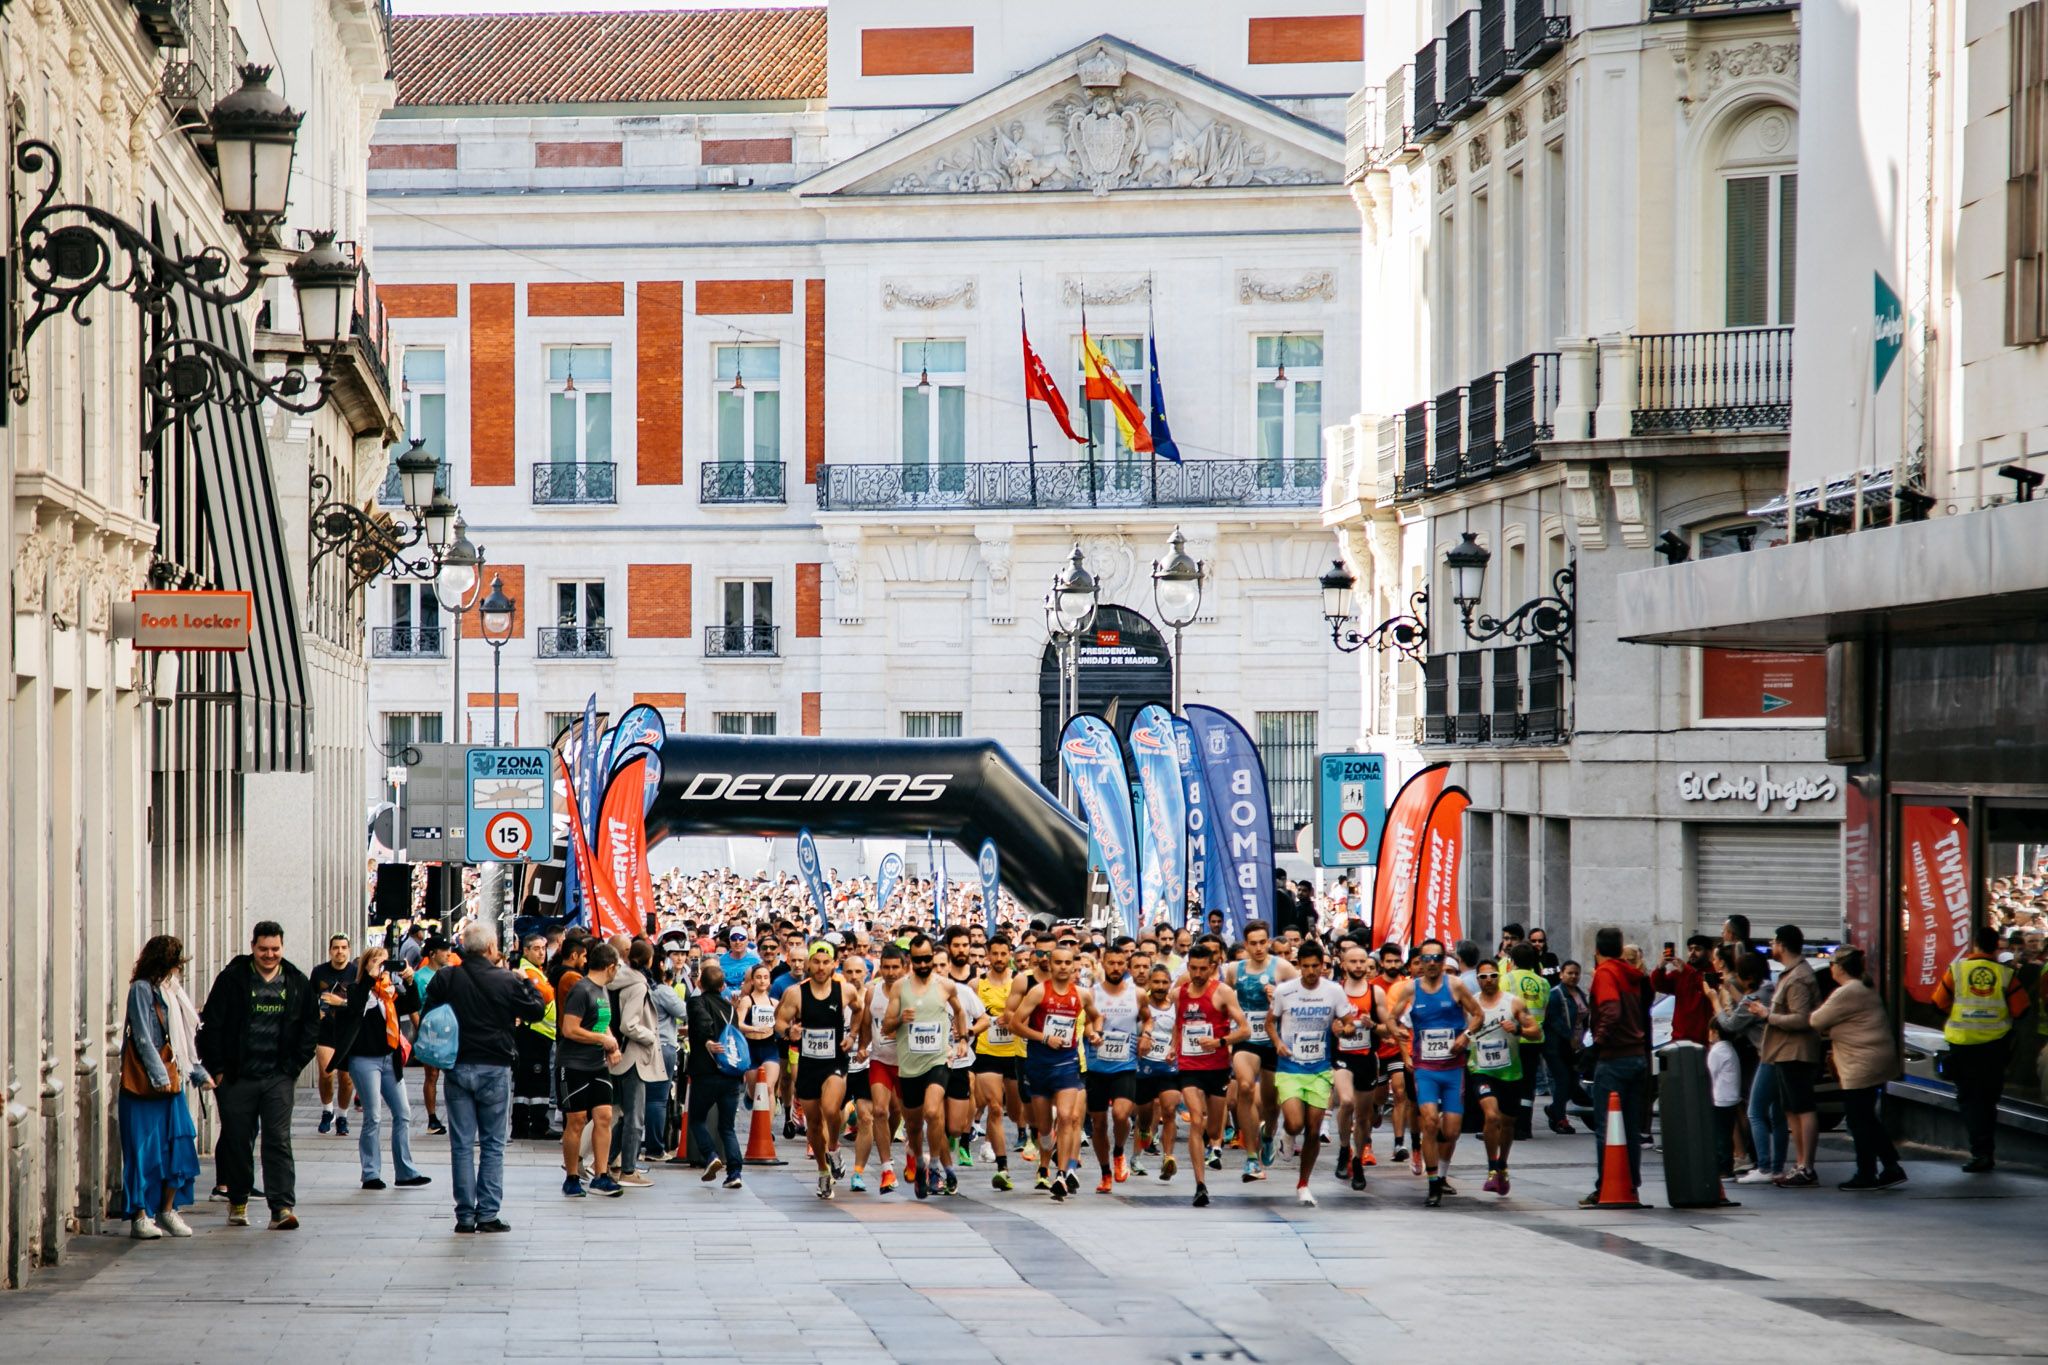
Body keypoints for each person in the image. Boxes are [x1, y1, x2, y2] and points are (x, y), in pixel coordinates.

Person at [199, 920, 320, 1231]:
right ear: (253, 947)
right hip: (237, 1077)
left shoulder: (295, 980)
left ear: (282, 947)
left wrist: (293, 1067)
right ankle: (238, 1200)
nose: (270, 955)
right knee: (238, 1140)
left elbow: (310, 1026)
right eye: (264, 949)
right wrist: (219, 1069)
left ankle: (282, 1207)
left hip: (278, 1076)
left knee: (278, 1140)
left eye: (275, 949)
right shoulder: (232, 980)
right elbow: (211, 1024)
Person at [424, 924, 546, 1231]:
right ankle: (488, 1213)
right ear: (491, 948)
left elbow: (430, 1012)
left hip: (457, 1064)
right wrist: (525, 982)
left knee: (462, 1143)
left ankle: (464, 1215)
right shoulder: (505, 979)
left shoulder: (447, 978)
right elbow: (536, 1011)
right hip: (494, 1065)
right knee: (492, 1143)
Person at [120, 936, 210, 1240]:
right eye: (176, 962)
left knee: (179, 1146)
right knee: (143, 1152)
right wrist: (160, 1078)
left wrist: (196, 1072)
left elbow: (184, 1038)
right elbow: (143, 1037)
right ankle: (140, 1215)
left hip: (170, 1081)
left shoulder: (171, 990)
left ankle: (168, 1209)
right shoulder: (141, 989)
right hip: (145, 1084)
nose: (178, 968)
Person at [325, 944, 430, 1194]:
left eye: (386, 962)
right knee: (373, 1115)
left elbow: (412, 1004)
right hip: (364, 1059)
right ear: (367, 965)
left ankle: (405, 1171)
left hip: (389, 1059)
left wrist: (411, 980)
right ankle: (371, 1172)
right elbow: (354, 1007)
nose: (383, 967)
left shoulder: (390, 994)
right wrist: (369, 980)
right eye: (378, 962)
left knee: (403, 1113)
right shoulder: (356, 990)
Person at [1388, 938, 1482, 1207]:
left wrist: (1465, 1036)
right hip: (1425, 1068)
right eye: (1426, 959)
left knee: (1450, 1130)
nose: (1431, 964)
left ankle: (1441, 1173)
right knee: (1429, 1121)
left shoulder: (1455, 986)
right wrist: (1398, 1035)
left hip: (1453, 1069)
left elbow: (1478, 1015)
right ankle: (1432, 1184)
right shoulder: (1410, 989)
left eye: (1436, 959)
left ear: (1444, 961)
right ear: (1420, 962)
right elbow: (1392, 1019)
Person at [1932, 924, 2030, 1172]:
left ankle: (1980, 1152)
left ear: (1974, 944)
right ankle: (1986, 1150)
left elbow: (1938, 1002)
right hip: (1995, 1047)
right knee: (1988, 1099)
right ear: (1997, 946)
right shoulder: (2006, 974)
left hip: (1963, 1045)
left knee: (1970, 1100)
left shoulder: (1957, 970)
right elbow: (2022, 1009)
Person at [1809, 947, 1907, 1191]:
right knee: (1866, 1118)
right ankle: (1891, 1165)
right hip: (1870, 1061)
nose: (1831, 968)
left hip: (1861, 1064)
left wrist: (1830, 1029)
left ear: (1840, 967)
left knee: (1858, 1120)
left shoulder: (1847, 991)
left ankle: (1866, 1172)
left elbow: (1816, 1020)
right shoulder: (1861, 988)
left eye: (1832, 964)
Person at [1269, 939, 1357, 1206]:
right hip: (1290, 1067)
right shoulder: (1284, 991)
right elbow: (1270, 1022)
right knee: (1295, 1123)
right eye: (1305, 966)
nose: (1310, 971)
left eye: (1315, 966)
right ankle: (1285, 1134)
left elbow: (1348, 1023)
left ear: (1323, 966)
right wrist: (1278, 1043)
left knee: (1313, 1128)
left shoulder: (1334, 991)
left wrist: (1345, 1029)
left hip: (1320, 1068)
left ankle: (1303, 1183)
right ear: (1298, 966)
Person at [1006, 940, 1095, 1201]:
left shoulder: (1082, 994)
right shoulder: (1037, 992)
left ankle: (1062, 1174)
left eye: (1068, 962)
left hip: (1068, 1064)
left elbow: (1096, 1015)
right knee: (1044, 1128)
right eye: (1059, 962)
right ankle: (1047, 1157)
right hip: (1038, 1065)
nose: (1063, 967)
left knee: (1067, 1117)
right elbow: (1014, 1024)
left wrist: (1094, 1032)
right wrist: (1043, 1037)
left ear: (1074, 966)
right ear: (1050, 964)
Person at [886, 932, 970, 1198]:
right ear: (910, 960)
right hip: (910, 1065)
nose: (923, 965)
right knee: (912, 1126)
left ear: (933, 958)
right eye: (918, 960)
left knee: (933, 1112)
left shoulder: (945, 986)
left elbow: (959, 1010)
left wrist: (963, 1038)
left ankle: (934, 1165)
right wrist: (901, 1018)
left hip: (938, 1059)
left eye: (927, 960)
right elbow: (887, 1026)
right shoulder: (900, 987)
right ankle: (920, 1163)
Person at [1170, 942, 1251, 1208]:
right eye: (1193, 968)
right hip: (1189, 1066)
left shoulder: (1223, 992)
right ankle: (1200, 1185)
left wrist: (1220, 1042)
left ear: (1213, 967)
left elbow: (1245, 1030)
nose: (1197, 974)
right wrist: (1173, 1046)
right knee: (1196, 1119)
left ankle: (1211, 1143)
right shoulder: (1180, 993)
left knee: (1214, 1128)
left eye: (1203, 969)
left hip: (1216, 1067)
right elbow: (1178, 1024)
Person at [779, 941, 860, 1199]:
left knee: (830, 1108)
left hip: (835, 1061)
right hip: (808, 1063)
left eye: (826, 962)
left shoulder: (844, 990)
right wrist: (788, 1031)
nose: (821, 967)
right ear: (808, 963)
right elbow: (779, 1021)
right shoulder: (796, 993)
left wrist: (853, 1035)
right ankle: (824, 1172)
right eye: (817, 961)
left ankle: (834, 1148)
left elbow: (860, 1009)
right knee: (813, 1123)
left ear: (834, 964)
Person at [1580, 926, 1652, 1207]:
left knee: (1606, 1127)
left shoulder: (1606, 973)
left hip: (1614, 1058)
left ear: (1596, 950)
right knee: (1631, 1128)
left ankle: (1606, 1186)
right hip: (1637, 1057)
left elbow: (1611, 1010)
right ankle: (1630, 1184)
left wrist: (1596, 1046)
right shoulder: (1632, 973)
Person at [1223, 920, 1296, 1182]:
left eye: (1262, 942)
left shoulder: (1284, 968)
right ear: (1245, 945)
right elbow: (1222, 995)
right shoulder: (1234, 970)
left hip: (1273, 1041)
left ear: (1269, 943)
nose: (1258, 948)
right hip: (1246, 1039)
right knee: (1244, 1086)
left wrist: (1279, 996)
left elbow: (1301, 999)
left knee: (1270, 1102)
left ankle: (1267, 1136)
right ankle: (1251, 1158)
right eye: (1252, 943)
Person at [1753, 924, 1822, 1187]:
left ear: (1781, 944)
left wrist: (1767, 1015)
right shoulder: (1790, 974)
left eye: (1773, 942)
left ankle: (1806, 1165)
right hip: (1783, 1051)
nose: (1772, 947)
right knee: (1790, 1108)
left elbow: (1801, 1018)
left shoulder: (1798, 977)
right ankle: (1800, 1163)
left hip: (1796, 1052)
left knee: (1802, 1107)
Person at [1465, 956, 1539, 1196]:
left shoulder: (1513, 1003)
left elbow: (1536, 1032)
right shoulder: (1472, 1005)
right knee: (1491, 1115)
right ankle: (1491, 1167)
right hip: (1481, 1069)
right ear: (1477, 980)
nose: (1488, 980)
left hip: (1510, 1071)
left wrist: (1518, 1029)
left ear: (1500, 977)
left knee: (1507, 1123)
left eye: (1493, 976)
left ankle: (1503, 1165)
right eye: (1483, 977)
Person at [558, 941, 625, 1198]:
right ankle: (572, 1176)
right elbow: (570, 1029)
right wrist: (602, 1040)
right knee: (576, 1120)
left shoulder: (602, 990)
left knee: (605, 1116)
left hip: (597, 1064)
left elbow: (602, 1022)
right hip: (573, 1064)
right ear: (610, 967)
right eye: (617, 967)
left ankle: (601, 1174)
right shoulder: (582, 990)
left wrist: (611, 1044)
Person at [604, 940, 665, 1189]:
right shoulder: (638, 985)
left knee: (620, 1114)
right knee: (634, 1116)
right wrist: (650, 1036)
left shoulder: (615, 979)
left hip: (615, 1053)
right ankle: (628, 1169)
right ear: (650, 960)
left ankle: (605, 1161)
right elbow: (629, 1024)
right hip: (632, 1056)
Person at [1084, 940, 1143, 1193]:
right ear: (1103, 964)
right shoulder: (1093, 993)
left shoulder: (1137, 994)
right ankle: (1105, 1172)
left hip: (1125, 1065)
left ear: (1126, 965)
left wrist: (1147, 1036)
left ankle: (1119, 1151)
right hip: (1097, 1067)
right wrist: (1092, 1034)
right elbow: (1085, 1022)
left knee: (1120, 1114)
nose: (1116, 967)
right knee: (1098, 1123)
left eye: (1121, 963)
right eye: (1112, 963)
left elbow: (1147, 1019)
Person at [1720, 953, 1781, 1184]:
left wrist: (1715, 1000)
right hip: (1777, 1054)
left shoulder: (1757, 995)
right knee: (1777, 1115)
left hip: (1768, 1056)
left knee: (1755, 1111)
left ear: (1748, 976)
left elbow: (1731, 1023)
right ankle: (1775, 1167)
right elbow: (1747, 1001)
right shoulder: (1768, 989)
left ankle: (1764, 1166)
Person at [971, 933, 1025, 1191]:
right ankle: (1002, 1167)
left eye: (1004, 954)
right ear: (988, 955)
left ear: (1010, 955)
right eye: (995, 954)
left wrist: (1011, 1018)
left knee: (1015, 1113)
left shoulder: (1020, 983)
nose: (1000, 958)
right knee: (994, 1107)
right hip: (986, 1053)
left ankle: (1029, 1136)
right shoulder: (976, 985)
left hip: (1014, 1055)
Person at [685, 960, 746, 1189]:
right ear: (723, 987)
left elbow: (703, 1022)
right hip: (731, 1073)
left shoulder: (696, 1001)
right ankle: (735, 1172)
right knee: (727, 1127)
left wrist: (708, 1040)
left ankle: (711, 1155)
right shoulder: (730, 1007)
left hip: (706, 1073)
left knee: (697, 1119)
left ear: (700, 984)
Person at [1330, 940, 1381, 1189]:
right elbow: (1328, 1024)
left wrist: (1374, 1026)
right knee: (1347, 1101)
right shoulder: (1335, 990)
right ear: (1343, 964)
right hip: (1342, 1057)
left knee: (1363, 1117)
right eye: (1354, 961)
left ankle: (1358, 1160)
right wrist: (1337, 1028)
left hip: (1366, 1058)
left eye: (1362, 961)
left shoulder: (1375, 993)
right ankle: (1343, 1149)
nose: (1359, 965)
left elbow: (1387, 1027)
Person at [1133, 963, 1183, 1182]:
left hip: (1168, 1068)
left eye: (1165, 982)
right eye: (1157, 982)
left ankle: (1168, 1157)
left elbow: (1180, 1032)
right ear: (1149, 983)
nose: (1161, 986)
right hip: (1143, 1069)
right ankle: (1136, 1156)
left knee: (1169, 1110)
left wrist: (1175, 1047)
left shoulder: (1175, 1007)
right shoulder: (1140, 1006)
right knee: (1144, 1118)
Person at [1502, 942, 1551, 1142]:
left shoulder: (1505, 980)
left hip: (1513, 1038)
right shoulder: (1542, 983)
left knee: (1509, 1083)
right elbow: (1545, 1010)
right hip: (1535, 1039)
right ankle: (1524, 1127)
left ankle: (1509, 1125)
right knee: (1527, 1085)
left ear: (1512, 961)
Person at [510, 934, 557, 1140]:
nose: (541, 952)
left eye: (543, 948)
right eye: (536, 948)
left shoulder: (534, 970)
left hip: (538, 1034)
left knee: (526, 1083)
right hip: (534, 1033)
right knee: (536, 1082)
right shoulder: (528, 972)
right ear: (526, 951)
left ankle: (522, 1125)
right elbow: (544, 996)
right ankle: (538, 1124)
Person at [310, 934, 355, 1138]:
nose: (340, 951)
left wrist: (342, 1003)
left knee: (346, 1079)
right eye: (336, 947)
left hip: (348, 1032)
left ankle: (343, 1116)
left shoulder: (356, 972)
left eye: (343, 947)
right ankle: (328, 1110)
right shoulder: (319, 972)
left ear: (349, 950)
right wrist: (314, 1012)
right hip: (325, 1030)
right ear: (330, 950)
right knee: (327, 1073)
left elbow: (362, 1003)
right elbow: (309, 998)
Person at [1543, 959, 1588, 1134]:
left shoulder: (1579, 993)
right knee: (1562, 1080)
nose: (1573, 976)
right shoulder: (1556, 994)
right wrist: (1570, 1037)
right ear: (1561, 974)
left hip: (1575, 1046)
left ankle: (1555, 1109)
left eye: (1576, 973)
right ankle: (1559, 1117)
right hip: (1556, 1046)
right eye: (1569, 973)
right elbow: (1554, 1020)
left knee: (1572, 1082)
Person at [1652, 936, 1715, 1047]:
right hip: (1679, 1038)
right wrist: (1660, 967)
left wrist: (1686, 970)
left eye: (1698, 949)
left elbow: (1703, 985)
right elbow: (1659, 985)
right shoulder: (1681, 973)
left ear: (1709, 952)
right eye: (1690, 949)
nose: (1692, 953)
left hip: (1704, 1040)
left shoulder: (1713, 973)